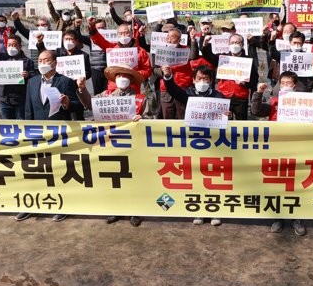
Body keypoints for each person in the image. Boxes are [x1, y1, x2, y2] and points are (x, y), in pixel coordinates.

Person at [17, 50, 83, 222]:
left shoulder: (65, 81)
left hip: (59, 133)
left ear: (55, 63)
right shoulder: (31, 82)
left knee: (59, 170)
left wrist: (68, 103)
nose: (42, 63)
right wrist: (27, 130)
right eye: (39, 60)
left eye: (46, 60)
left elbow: (78, 106)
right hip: (37, 133)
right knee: (37, 170)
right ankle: (32, 204)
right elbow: (28, 108)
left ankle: (63, 205)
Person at [160, 64, 230, 226]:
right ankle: (199, 209)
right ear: (193, 80)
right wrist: (168, 76)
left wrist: (229, 115)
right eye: (199, 78)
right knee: (196, 175)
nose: (202, 81)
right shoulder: (188, 94)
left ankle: (215, 210)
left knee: (213, 176)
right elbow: (173, 90)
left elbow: (226, 115)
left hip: (213, 144)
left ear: (211, 81)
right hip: (193, 142)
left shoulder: (218, 96)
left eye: (206, 79)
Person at [252, 71, 309, 237]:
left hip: (297, 149)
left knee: (296, 185)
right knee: (278, 184)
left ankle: (296, 218)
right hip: (276, 149)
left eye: (288, 83)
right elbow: (256, 111)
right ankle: (278, 217)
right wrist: (258, 93)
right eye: (282, 83)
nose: (285, 86)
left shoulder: (304, 103)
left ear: (295, 85)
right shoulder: (274, 102)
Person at [98, 65, 146, 227]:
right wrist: (82, 89)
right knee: (115, 178)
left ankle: (135, 211)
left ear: (131, 80)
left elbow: (153, 119)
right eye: (118, 76)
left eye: (125, 76)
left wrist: (143, 119)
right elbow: (90, 104)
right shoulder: (106, 96)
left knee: (135, 178)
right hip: (113, 143)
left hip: (134, 145)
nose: (122, 79)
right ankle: (116, 209)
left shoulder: (141, 98)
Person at [199, 32, 258, 120]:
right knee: (224, 124)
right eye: (232, 43)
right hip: (223, 96)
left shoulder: (248, 61)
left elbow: (254, 80)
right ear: (228, 45)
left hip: (241, 98)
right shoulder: (222, 58)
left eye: (237, 43)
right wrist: (205, 44)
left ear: (242, 45)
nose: (235, 45)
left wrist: (244, 83)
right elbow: (208, 56)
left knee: (241, 124)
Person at [0, 30, 35, 120]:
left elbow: (34, 75)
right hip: (4, 99)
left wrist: (28, 75)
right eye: (9, 45)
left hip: (20, 100)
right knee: (6, 125)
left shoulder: (27, 61)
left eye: (14, 45)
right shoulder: (2, 57)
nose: (11, 47)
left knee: (20, 124)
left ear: (20, 46)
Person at [88, 19, 153, 94]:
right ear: (117, 35)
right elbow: (99, 41)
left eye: (126, 33)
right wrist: (92, 27)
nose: (123, 35)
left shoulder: (140, 51)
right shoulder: (113, 48)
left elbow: (147, 70)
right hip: (114, 88)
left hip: (133, 88)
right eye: (121, 33)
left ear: (132, 34)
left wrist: (134, 74)